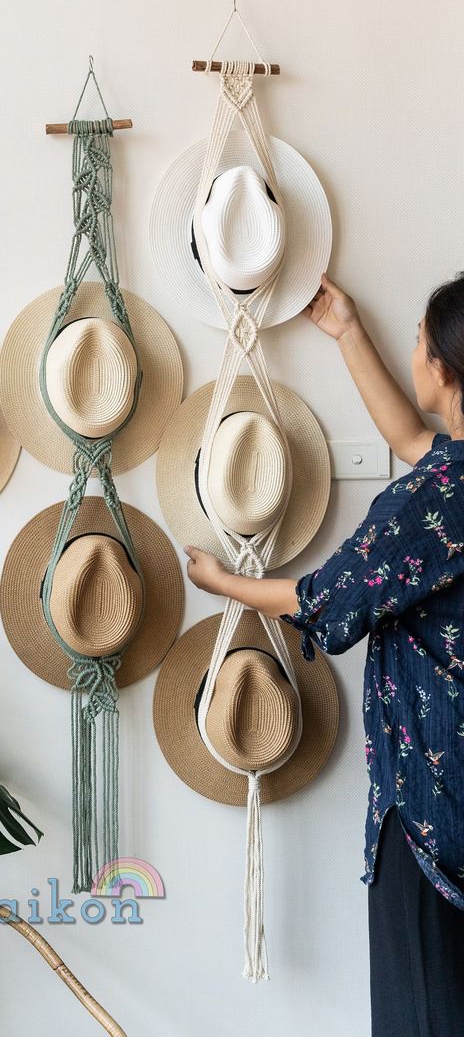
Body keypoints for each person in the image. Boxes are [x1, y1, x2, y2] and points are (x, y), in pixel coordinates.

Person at [185, 273, 464, 1037]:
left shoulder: (435, 499)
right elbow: (415, 441)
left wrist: (227, 583)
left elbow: (327, 601)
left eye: (417, 339)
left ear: (443, 366)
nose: (414, 351)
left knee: (427, 1011)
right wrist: (346, 330)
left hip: (435, 808)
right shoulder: (451, 481)